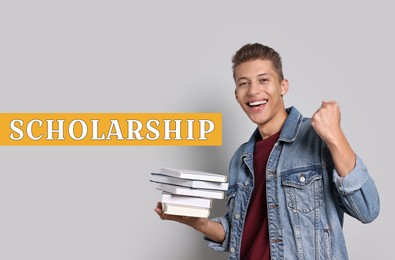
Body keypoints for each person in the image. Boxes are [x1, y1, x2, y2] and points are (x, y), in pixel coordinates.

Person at [154, 43, 380, 260]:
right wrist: (199, 223)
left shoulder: (318, 137)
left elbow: (367, 209)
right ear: (236, 95)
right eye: (244, 83)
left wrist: (336, 137)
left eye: (263, 80)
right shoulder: (240, 159)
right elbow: (242, 234)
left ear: (283, 86)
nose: (253, 91)